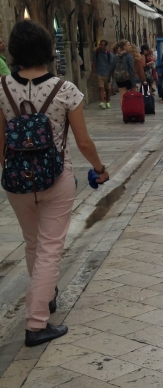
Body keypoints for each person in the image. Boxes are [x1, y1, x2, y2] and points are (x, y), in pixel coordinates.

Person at [0, 20, 109, 347]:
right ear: (49, 49)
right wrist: (100, 169)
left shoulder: (2, 88)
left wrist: (10, 169)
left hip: (17, 179)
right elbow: (83, 142)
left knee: (33, 243)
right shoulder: (66, 90)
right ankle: (37, 323)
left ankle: (44, 295)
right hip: (56, 177)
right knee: (50, 247)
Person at [108, 40, 136, 108]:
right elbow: (131, 69)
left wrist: (108, 79)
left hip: (119, 78)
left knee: (122, 95)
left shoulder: (116, 56)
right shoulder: (129, 56)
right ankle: (128, 109)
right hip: (127, 78)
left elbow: (111, 68)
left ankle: (123, 110)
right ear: (124, 47)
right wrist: (133, 82)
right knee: (129, 95)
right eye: (128, 45)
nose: (130, 46)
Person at [91, 40, 112, 109]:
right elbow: (94, 63)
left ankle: (108, 102)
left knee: (108, 89)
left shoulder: (109, 53)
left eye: (102, 45)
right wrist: (93, 73)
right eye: (100, 44)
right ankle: (102, 102)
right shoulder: (97, 53)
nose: (101, 46)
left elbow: (112, 64)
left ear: (106, 46)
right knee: (101, 88)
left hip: (107, 74)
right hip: (99, 73)